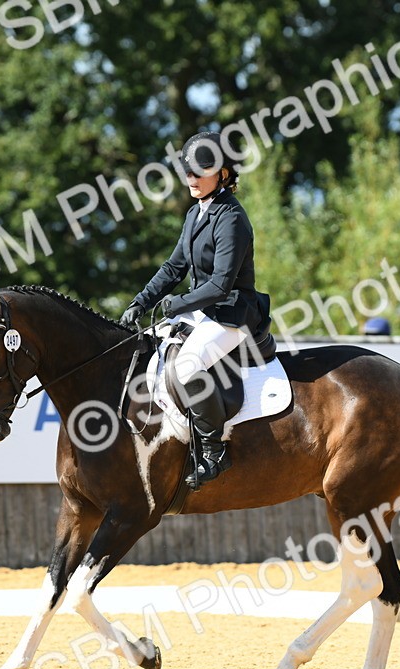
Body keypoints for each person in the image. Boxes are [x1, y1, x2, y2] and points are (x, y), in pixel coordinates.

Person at [120, 131, 270, 490]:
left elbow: (220, 284)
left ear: (222, 174)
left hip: (232, 313)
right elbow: (174, 268)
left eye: (199, 172)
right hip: (203, 310)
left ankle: (214, 450)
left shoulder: (232, 218)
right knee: (148, 348)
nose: (191, 179)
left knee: (188, 365)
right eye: (187, 172)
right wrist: (141, 301)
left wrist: (176, 304)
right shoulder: (195, 213)